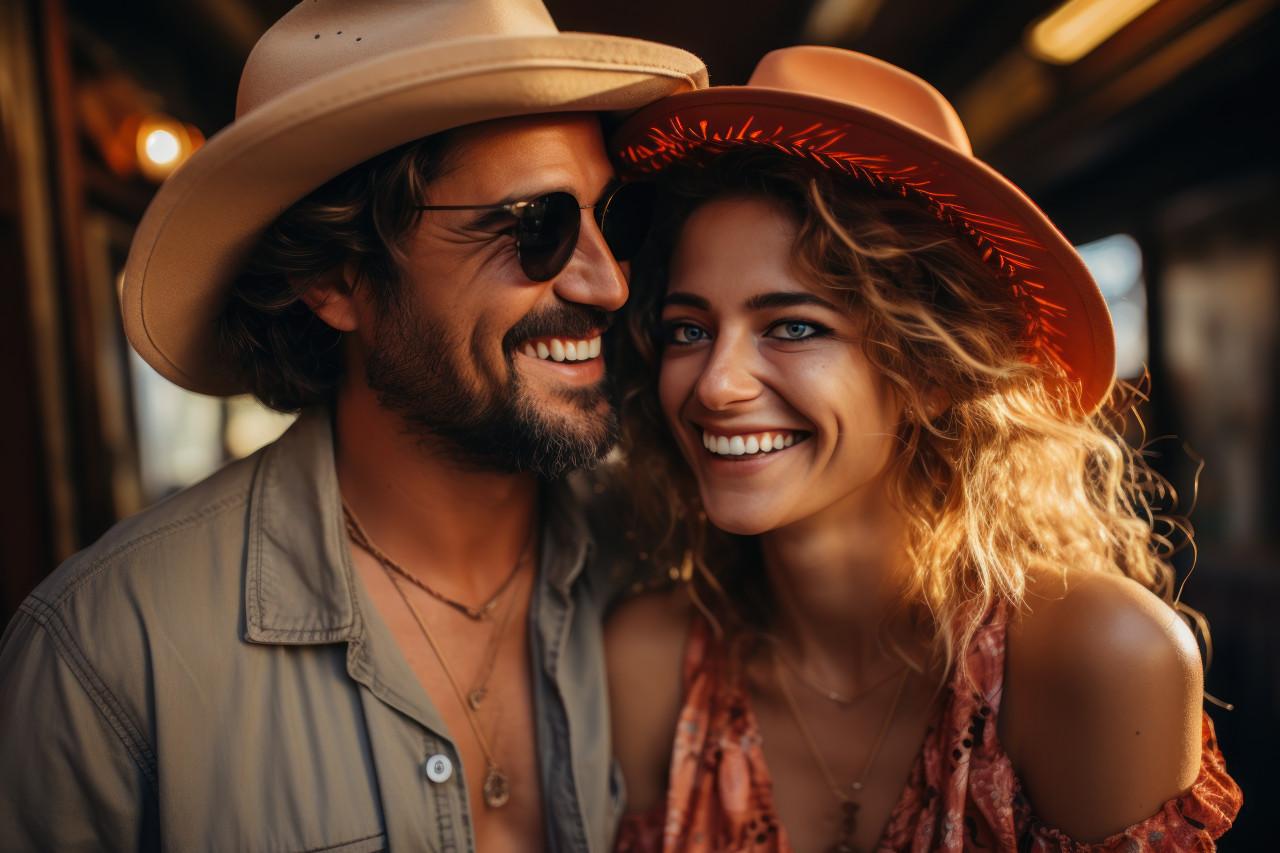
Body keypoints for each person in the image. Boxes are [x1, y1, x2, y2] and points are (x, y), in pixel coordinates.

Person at [0, 1, 705, 851]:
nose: (608, 285)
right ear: (337, 281)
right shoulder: (108, 656)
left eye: (615, 218)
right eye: (536, 229)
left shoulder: (667, 553)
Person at [604, 47, 1241, 852]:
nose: (714, 385)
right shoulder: (644, 662)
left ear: (933, 368)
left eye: (794, 325)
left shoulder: (1102, 659)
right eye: (688, 329)